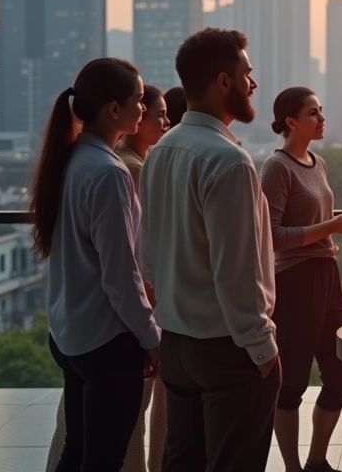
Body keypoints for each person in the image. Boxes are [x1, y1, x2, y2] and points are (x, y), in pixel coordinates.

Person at [140, 28, 280, 472]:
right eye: (247, 74)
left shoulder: (161, 150)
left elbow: (147, 255)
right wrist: (262, 350)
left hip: (178, 345)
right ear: (224, 81)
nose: (253, 84)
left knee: (182, 460)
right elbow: (236, 274)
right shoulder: (229, 162)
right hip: (227, 349)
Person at [31, 58, 160, 472]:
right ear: (113, 109)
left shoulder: (70, 161)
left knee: (78, 447)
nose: (143, 109)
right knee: (103, 458)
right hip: (107, 342)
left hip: (70, 334)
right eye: (138, 101)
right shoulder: (109, 173)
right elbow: (121, 277)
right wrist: (151, 338)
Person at [261, 87, 342, 472]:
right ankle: (294, 467)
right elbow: (272, 236)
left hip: (327, 273)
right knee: (291, 382)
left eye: (321, 111)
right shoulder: (276, 168)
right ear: (291, 121)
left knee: (340, 373)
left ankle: (317, 462)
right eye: (313, 113)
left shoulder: (317, 162)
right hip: (295, 280)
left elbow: (317, 220)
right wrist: (333, 225)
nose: (322, 118)